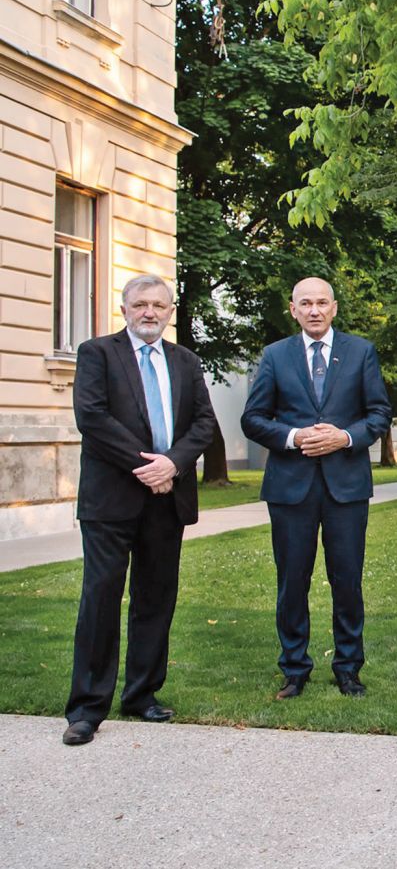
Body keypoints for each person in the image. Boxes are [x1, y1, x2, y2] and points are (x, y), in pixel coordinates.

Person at [63, 275, 217, 746]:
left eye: (158, 305)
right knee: (101, 600)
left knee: (155, 599)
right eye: (140, 304)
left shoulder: (186, 361)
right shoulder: (97, 354)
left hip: (167, 499)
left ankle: (141, 694)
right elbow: (92, 417)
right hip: (111, 500)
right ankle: (88, 709)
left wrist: (173, 462)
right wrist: (147, 466)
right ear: (124, 308)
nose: (149, 312)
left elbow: (205, 422)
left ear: (170, 311)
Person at [241, 277, 392, 700]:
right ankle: (294, 669)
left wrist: (344, 437)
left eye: (321, 303)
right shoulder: (275, 356)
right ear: (293, 309)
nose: (314, 310)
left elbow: (379, 413)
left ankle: (348, 668)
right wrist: (294, 437)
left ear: (334, 308)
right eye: (305, 303)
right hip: (291, 489)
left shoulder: (361, 352)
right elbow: (253, 419)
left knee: (348, 581)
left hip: (346, 487)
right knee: (292, 582)